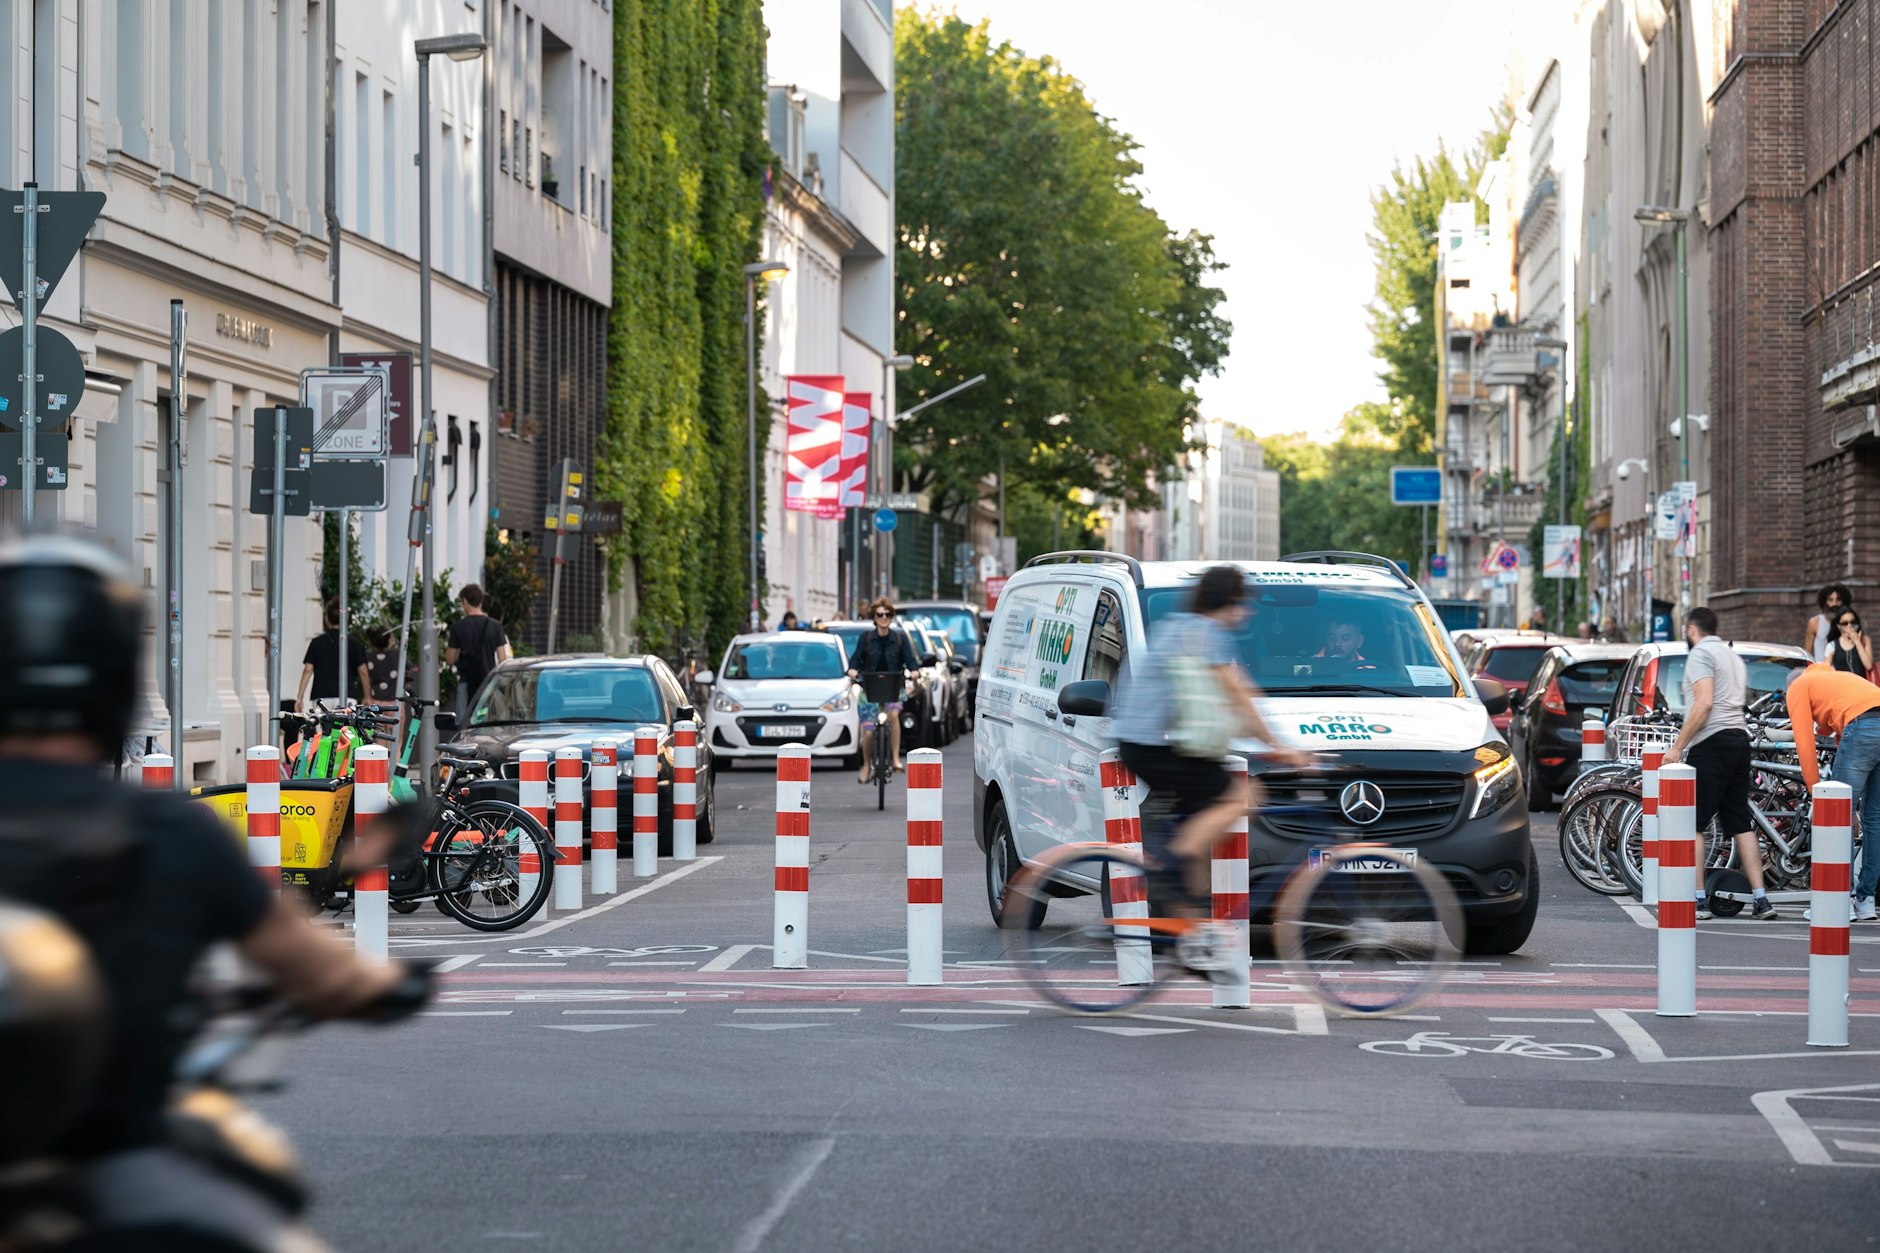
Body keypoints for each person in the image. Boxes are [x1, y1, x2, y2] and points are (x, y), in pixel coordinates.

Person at [0, 534, 429, 1247]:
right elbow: (316, 967)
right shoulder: (169, 831)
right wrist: (386, 985)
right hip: (119, 1157)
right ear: (116, 678)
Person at [1110, 565, 1311, 904]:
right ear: (1228, 602)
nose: (1246, 611)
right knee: (1240, 796)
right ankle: (1170, 873)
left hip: (1139, 743)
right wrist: (1279, 747)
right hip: (1153, 745)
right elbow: (1239, 695)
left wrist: (1263, 742)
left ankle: (1184, 929)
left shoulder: (1176, 626)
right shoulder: (1208, 633)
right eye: (1242, 602)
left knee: (1199, 816)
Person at [1661, 607, 1778, 919]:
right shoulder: (1733, 657)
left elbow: (1705, 702)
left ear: (1690, 630)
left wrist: (1677, 747)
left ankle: (1698, 900)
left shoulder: (1701, 654)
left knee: (1695, 823)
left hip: (1712, 742)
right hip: (1739, 741)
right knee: (1740, 822)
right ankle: (1761, 900)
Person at [1785, 664, 1880, 921]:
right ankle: (1866, 901)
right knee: (1875, 819)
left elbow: (1805, 743)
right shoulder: (1836, 678)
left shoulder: (1798, 686)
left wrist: (1817, 791)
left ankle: (1840, 899)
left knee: (1837, 817)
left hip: (1861, 725)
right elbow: (1833, 725)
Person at [846, 597, 921, 780]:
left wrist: (915, 671)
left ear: (891, 617)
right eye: (880, 614)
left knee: (894, 715)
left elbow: (910, 660)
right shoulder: (866, 638)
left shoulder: (899, 639)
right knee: (869, 732)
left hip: (893, 688)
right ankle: (866, 766)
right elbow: (856, 658)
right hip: (870, 690)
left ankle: (895, 759)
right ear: (874, 617)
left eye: (887, 614)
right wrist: (853, 670)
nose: (884, 617)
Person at [297, 597, 371, 711]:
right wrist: (367, 696)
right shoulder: (353, 643)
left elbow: (308, 669)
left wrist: (300, 697)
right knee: (345, 728)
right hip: (347, 695)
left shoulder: (317, 643)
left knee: (323, 728)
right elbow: (363, 671)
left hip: (321, 696)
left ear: (327, 619)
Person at [445, 583, 512, 708]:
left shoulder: (458, 626)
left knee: (464, 723)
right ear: (481, 600)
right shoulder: (495, 626)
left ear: (465, 601)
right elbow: (502, 659)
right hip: (488, 682)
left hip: (466, 682)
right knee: (487, 720)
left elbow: (450, 659)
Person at [1804, 584, 1855, 663]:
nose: (1834, 604)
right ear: (1824, 602)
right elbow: (1807, 653)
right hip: (1821, 671)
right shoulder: (1815, 622)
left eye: (1838, 600)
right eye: (1830, 600)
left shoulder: (1850, 623)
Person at [364, 625, 409, 704]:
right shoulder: (397, 656)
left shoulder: (370, 657)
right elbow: (408, 668)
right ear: (388, 641)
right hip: (393, 700)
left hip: (375, 699)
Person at [1826, 607, 1873, 678]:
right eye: (1845, 623)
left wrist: (1857, 642)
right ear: (1838, 626)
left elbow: (1869, 666)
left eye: (1852, 622)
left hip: (1862, 686)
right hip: (1842, 686)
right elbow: (1826, 671)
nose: (1849, 625)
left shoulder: (1865, 640)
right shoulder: (1832, 645)